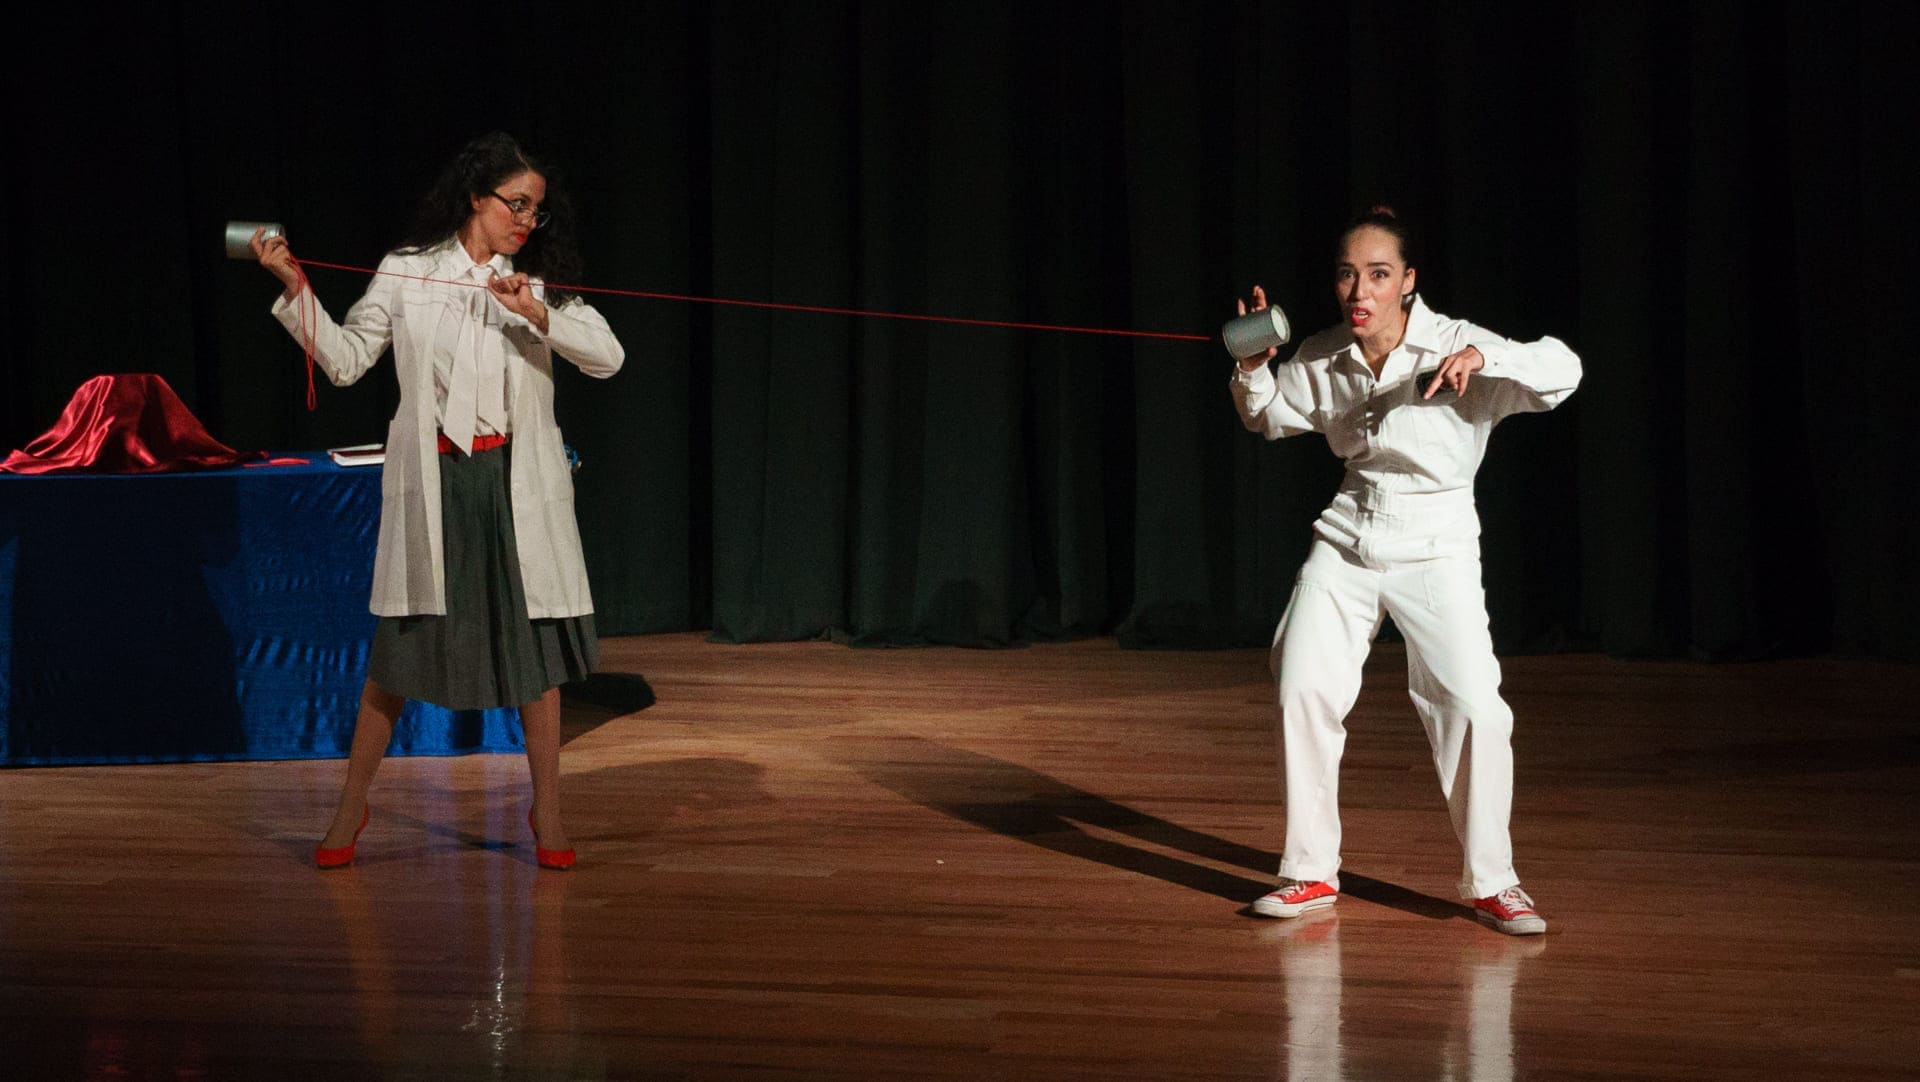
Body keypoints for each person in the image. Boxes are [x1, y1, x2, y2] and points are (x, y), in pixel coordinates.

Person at [253, 132, 624, 871]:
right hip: (440, 482)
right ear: (475, 199)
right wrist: (297, 290)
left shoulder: (538, 281)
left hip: (513, 483)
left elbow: (608, 357)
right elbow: (349, 360)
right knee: (398, 654)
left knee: (535, 657)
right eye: (516, 204)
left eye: (536, 210)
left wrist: (536, 315)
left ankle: (545, 807)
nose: (526, 220)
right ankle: (352, 806)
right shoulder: (408, 272)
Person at [1230, 206, 1579, 935]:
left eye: (1379, 275)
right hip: (1349, 535)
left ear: (1409, 282)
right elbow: (1266, 415)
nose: (1361, 289)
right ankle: (1308, 873)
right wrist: (1252, 368)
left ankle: (1494, 882)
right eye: (1348, 273)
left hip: (1438, 542)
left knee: (1476, 707)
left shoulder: (1458, 342)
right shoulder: (1326, 355)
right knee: (1302, 685)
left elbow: (1564, 368)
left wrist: (1489, 360)